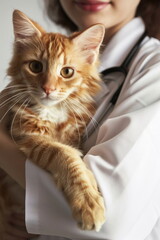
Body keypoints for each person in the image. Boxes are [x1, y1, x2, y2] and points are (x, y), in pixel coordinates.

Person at [1, 0, 160, 239]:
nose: (48, 87)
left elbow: (110, 225)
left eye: (66, 72)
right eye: (36, 67)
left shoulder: (154, 69)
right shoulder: (56, 48)